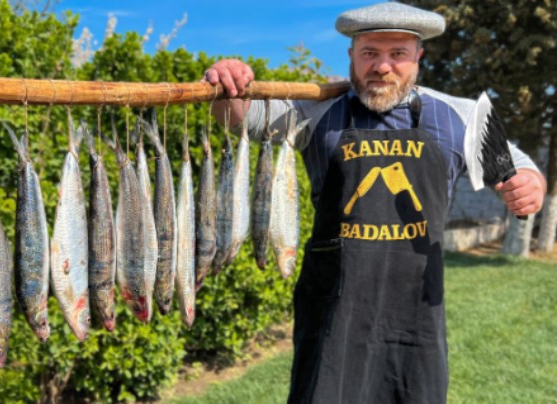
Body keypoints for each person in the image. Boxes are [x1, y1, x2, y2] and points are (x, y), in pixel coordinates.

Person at [202, 2, 546, 403]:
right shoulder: (314, 108)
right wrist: (228, 85)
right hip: (333, 310)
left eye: (397, 54)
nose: (383, 67)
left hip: (415, 314)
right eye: (370, 53)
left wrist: (531, 184)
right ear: (351, 56)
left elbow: (519, 168)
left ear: (418, 56)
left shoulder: (460, 117)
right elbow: (243, 120)